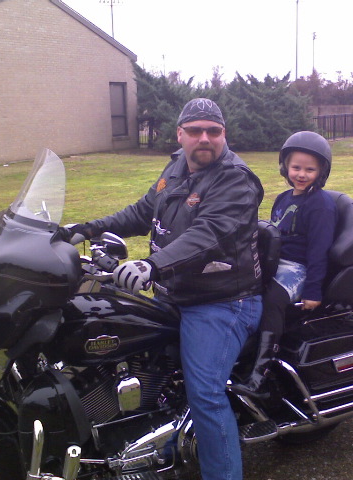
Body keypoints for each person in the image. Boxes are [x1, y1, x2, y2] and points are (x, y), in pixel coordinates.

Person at [70, 98, 264, 480]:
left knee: (205, 394)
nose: (204, 138)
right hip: (175, 291)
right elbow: (143, 211)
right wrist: (86, 229)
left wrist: (152, 265)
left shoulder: (235, 179)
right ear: (180, 134)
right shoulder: (176, 166)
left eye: (213, 131)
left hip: (221, 300)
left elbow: (208, 234)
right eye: (195, 130)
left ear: (224, 134)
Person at [231, 131, 336, 399]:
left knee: (272, 300)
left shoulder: (321, 205)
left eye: (310, 169)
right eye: (296, 167)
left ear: (321, 172)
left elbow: (319, 250)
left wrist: (313, 290)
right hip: (274, 261)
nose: (301, 174)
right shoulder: (283, 198)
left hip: (299, 268)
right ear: (285, 167)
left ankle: (260, 375)